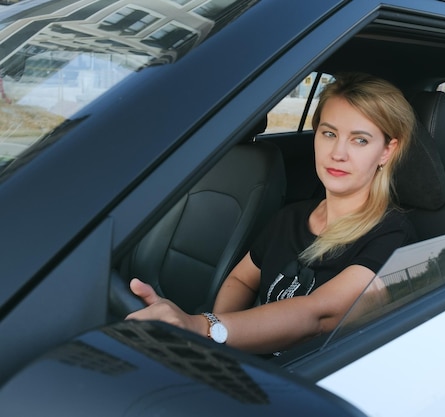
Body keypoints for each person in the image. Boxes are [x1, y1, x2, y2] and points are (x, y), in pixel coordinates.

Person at [126, 72, 417, 354]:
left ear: (387, 151)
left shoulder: (392, 236)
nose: (337, 153)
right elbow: (240, 280)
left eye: (360, 140)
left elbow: (319, 317)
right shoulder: (291, 217)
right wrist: (216, 347)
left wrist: (203, 327)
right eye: (329, 133)